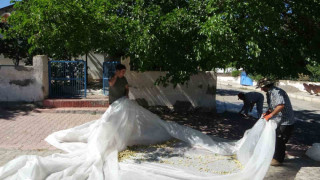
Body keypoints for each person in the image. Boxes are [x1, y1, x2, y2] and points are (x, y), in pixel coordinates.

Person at [257, 78, 296, 166]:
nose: (261, 89)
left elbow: (280, 106)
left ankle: (278, 160)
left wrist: (270, 115)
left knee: (280, 140)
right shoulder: (269, 93)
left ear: (266, 86)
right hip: (279, 120)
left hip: (286, 121)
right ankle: (276, 155)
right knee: (276, 138)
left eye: (262, 87)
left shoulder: (276, 92)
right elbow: (272, 107)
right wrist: (267, 112)